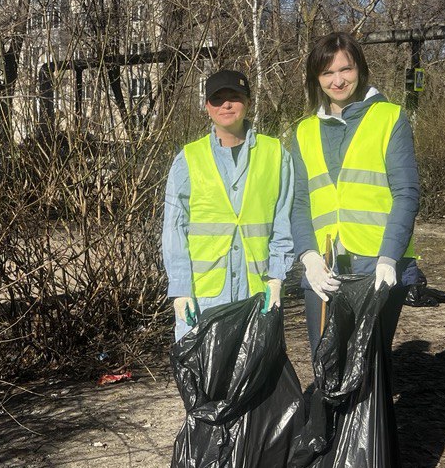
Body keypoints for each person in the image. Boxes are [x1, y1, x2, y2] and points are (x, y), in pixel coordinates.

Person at [289, 31, 419, 354]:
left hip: (376, 266)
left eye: (345, 69)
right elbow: (299, 201)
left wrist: (388, 259)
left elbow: (406, 193)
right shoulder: (304, 132)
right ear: (316, 78)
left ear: (359, 68)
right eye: (327, 72)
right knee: (326, 363)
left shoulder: (390, 118)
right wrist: (308, 257)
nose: (337, 80)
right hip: (325, 267)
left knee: (369, 367)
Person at [162, 69, 294, 342]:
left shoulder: (275, 154)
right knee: (206, 379)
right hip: (204, 296)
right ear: (207, 106)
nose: (226, 105)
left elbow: (284, 219)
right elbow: (174, 230)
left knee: (253, 378)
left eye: (234, 97)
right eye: (217, 99)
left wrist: (277, 276)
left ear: (248, 102)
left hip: (256, 291)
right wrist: (180, 288)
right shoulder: (188, 159)